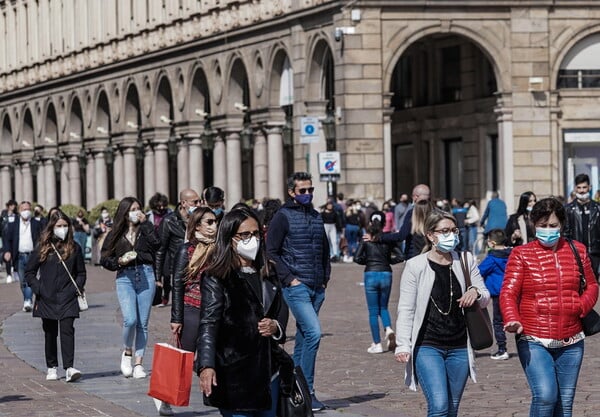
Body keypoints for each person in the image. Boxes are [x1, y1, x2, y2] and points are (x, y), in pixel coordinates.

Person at [501, 197, 599, 417]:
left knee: (564, 405)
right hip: (534, 338)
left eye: (553, 225)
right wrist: (511, 317)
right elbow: (508, 292)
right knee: (545, 396)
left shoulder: (578, 250)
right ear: (534, 225)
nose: (547, 230)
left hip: (572, 340)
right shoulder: (521, 254)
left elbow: (592, 285)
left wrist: (581, 306)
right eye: (542, 225)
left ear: (562, 225)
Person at [394, 210, 490, 417]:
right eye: (444, 231)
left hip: (459, 346)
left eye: (454, 231)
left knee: (452, 407)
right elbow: (406, 308)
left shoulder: (465, 260)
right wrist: (403, 344)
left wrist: (474, 291)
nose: (451, 236)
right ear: (430, 235)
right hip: (428, 345)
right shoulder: (415, 266)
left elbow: (485, 296)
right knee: (439, 406)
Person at [197, 207, 286, 417]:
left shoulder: (268, 271)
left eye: (255, 234)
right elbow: (209, 322)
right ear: (230, 238)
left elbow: (281, 311)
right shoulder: (216, 276)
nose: (252, 239)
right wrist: (206, 365)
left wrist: (276, 326)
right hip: (233, 372)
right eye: (244, 235)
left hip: (268, 370)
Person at [266, 171, 330, 411]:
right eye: (302, 190)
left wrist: (325, 279)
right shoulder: (283, 216)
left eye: (310, 190)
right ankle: (309, 391)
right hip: (297, 285)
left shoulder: (316, 216)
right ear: (292, 192)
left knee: (304, 338)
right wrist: (289, 279)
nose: (307, 194)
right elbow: (272, 251)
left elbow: (324, 248)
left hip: (316, 285)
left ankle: (295, 389)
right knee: (314, 333)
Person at [100, 196, 161, 379]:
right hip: (125, 277)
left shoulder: (146, 229)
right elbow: (104, 258)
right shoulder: (115, 233)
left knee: (143, 323)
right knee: (130, 320)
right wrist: (118, 261)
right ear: (125, 213)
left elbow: (157, 244)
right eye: (133, 209)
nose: (137, 212)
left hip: (146, 274)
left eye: (139, 208)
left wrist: (147, 224)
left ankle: (139, 363)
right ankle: (127, 351)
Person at [24, 210, 86, 382]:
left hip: (68, 297)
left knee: (67, 331)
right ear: (52, 227)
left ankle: (69, 367)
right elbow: (29, 272)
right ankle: (51, 366)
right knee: (50, 333)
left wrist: (76, 288)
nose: (63, 229)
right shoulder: (43, 247)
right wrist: (39, 289)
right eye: (59, 226)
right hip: (47, 297)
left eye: (65, 226)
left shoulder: (75, 248)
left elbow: (81, 273)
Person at [354, 211, 403, 354]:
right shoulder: (388, 239)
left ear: (370, 223)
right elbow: (401, 256)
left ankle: (377, 343)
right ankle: (388, 328)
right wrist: (388, 261)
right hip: (386, 273)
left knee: (373, 312)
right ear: (384, 224)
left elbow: (357, 258)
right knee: (384, 307)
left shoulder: (366, 239)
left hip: (371, 274)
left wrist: (368, 261)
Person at [170, 207, 217, 351]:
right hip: (192, 308)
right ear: (197, 225)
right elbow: (178, 284)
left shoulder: (221, 249)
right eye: (209, 222)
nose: (214, 225)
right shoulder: (186, 250)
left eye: (216, 221)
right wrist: (176, 318)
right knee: (186, 355)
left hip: (214, 308)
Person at [155, 188, 201, 307]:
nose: (198, 205)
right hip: (180, 268)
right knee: (181, 303)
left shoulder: (200, 219)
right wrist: (157, 277)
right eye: (194, 202)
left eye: (199, 201)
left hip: (199, 267)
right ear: (183, 203)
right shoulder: (169, 221)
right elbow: (161, 250)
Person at [2, 201, 43, 312]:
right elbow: (7, 239)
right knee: (22, 282)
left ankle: (28, 300)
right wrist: (7, 251)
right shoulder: (13, 223)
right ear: (20, 211)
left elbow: (41, 237)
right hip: (19, 256)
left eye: (28, 209)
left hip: (32, 255)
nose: (26, 211)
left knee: (29, 279)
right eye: (24, 209)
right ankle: (27, 299)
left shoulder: (35, 223)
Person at [477, 228, 511, 360]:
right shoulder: (512, 254)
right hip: (511, 291)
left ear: (491, 243)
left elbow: (480, 271)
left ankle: (502, 349)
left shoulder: (492, 258)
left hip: (498, 293)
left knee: (498, 322)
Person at [564, 173, 600, 274]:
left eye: (584, 187)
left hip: (594, 253)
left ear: (590, 187)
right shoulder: (568, 209)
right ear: (575, 189)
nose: (582, 190)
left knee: (593, 283)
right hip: (576, 253)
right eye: (579, 188)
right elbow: (565, 233)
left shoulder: (597, 208)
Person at [1, 199, 17, 282]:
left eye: (14, 205)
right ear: (8, 206)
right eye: (11, 205)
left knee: (14, 255)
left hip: (15, 239)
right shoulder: (4, 215)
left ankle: (14, 271)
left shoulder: (16, 215)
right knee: (7, 256)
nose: (13, 207)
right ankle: (8, 275)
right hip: (6, 238)